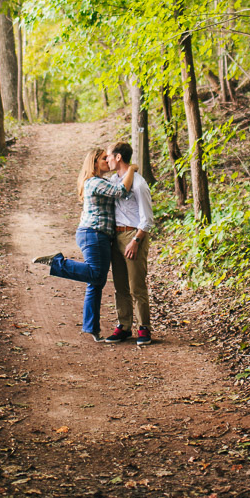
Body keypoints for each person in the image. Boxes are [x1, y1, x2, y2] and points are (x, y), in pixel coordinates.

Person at [32, 148, 134, 342]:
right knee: (96, 275)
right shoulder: (94, 182)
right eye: (104, 158)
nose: (107, 160)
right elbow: (121, 191)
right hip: (93, 234)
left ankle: (92, 328)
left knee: (96, 282)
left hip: (98, 235)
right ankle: (57, 263)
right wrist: (133, 169)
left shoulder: (101, 181)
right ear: (94, 162)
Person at [104, 141, 154, 347]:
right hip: (115, 236)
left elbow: (148, 218)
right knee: (120, 285)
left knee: (137, 286)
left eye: (108, 156)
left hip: (134, 236)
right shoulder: (112, 181)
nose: (106, 160)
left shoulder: (139, 184)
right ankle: (124, 325)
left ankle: (144, 328)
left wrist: (136, 241)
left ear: (118, 157)